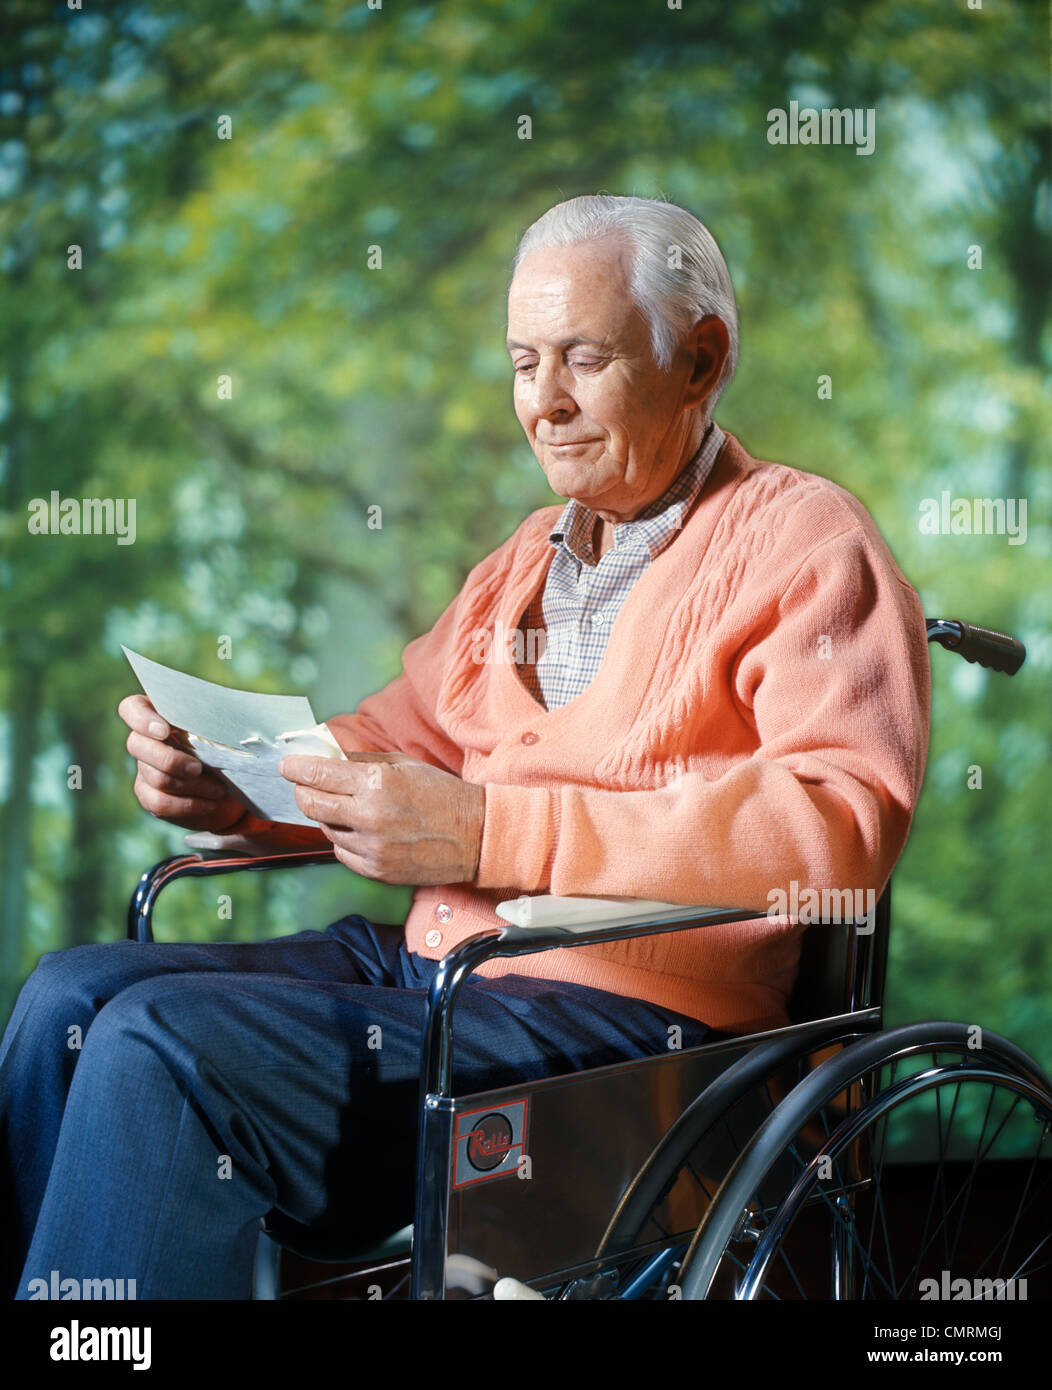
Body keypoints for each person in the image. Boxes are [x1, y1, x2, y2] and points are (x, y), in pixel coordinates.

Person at [0, 195, 930, 1299]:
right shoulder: (516, 567)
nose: (540, 401)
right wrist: (238, 784)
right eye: (522, 360)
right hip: (436, 971)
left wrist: (493, 830)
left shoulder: (802, 538)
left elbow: (836, 826)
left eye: (582, 356)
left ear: (701, 358)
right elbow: (386, 740)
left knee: (162, 1038)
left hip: (633, 1026)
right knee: (67, 995)